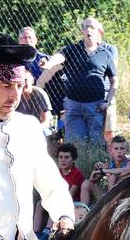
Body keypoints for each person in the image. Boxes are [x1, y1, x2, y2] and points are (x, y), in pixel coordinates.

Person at [36, 16, 118, 144]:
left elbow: (114, 82)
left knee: (96, 144)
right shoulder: (73, 49)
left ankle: (95, 164)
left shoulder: (106, 54)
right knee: (75, 143)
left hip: (96, 106)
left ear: (99, 31)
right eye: (85, 27)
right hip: (73, 105)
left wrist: (107, 102)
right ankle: (76, 164)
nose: (88, 30)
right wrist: (48, 63)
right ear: (82, 32)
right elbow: (60, 57)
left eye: (91, 27)